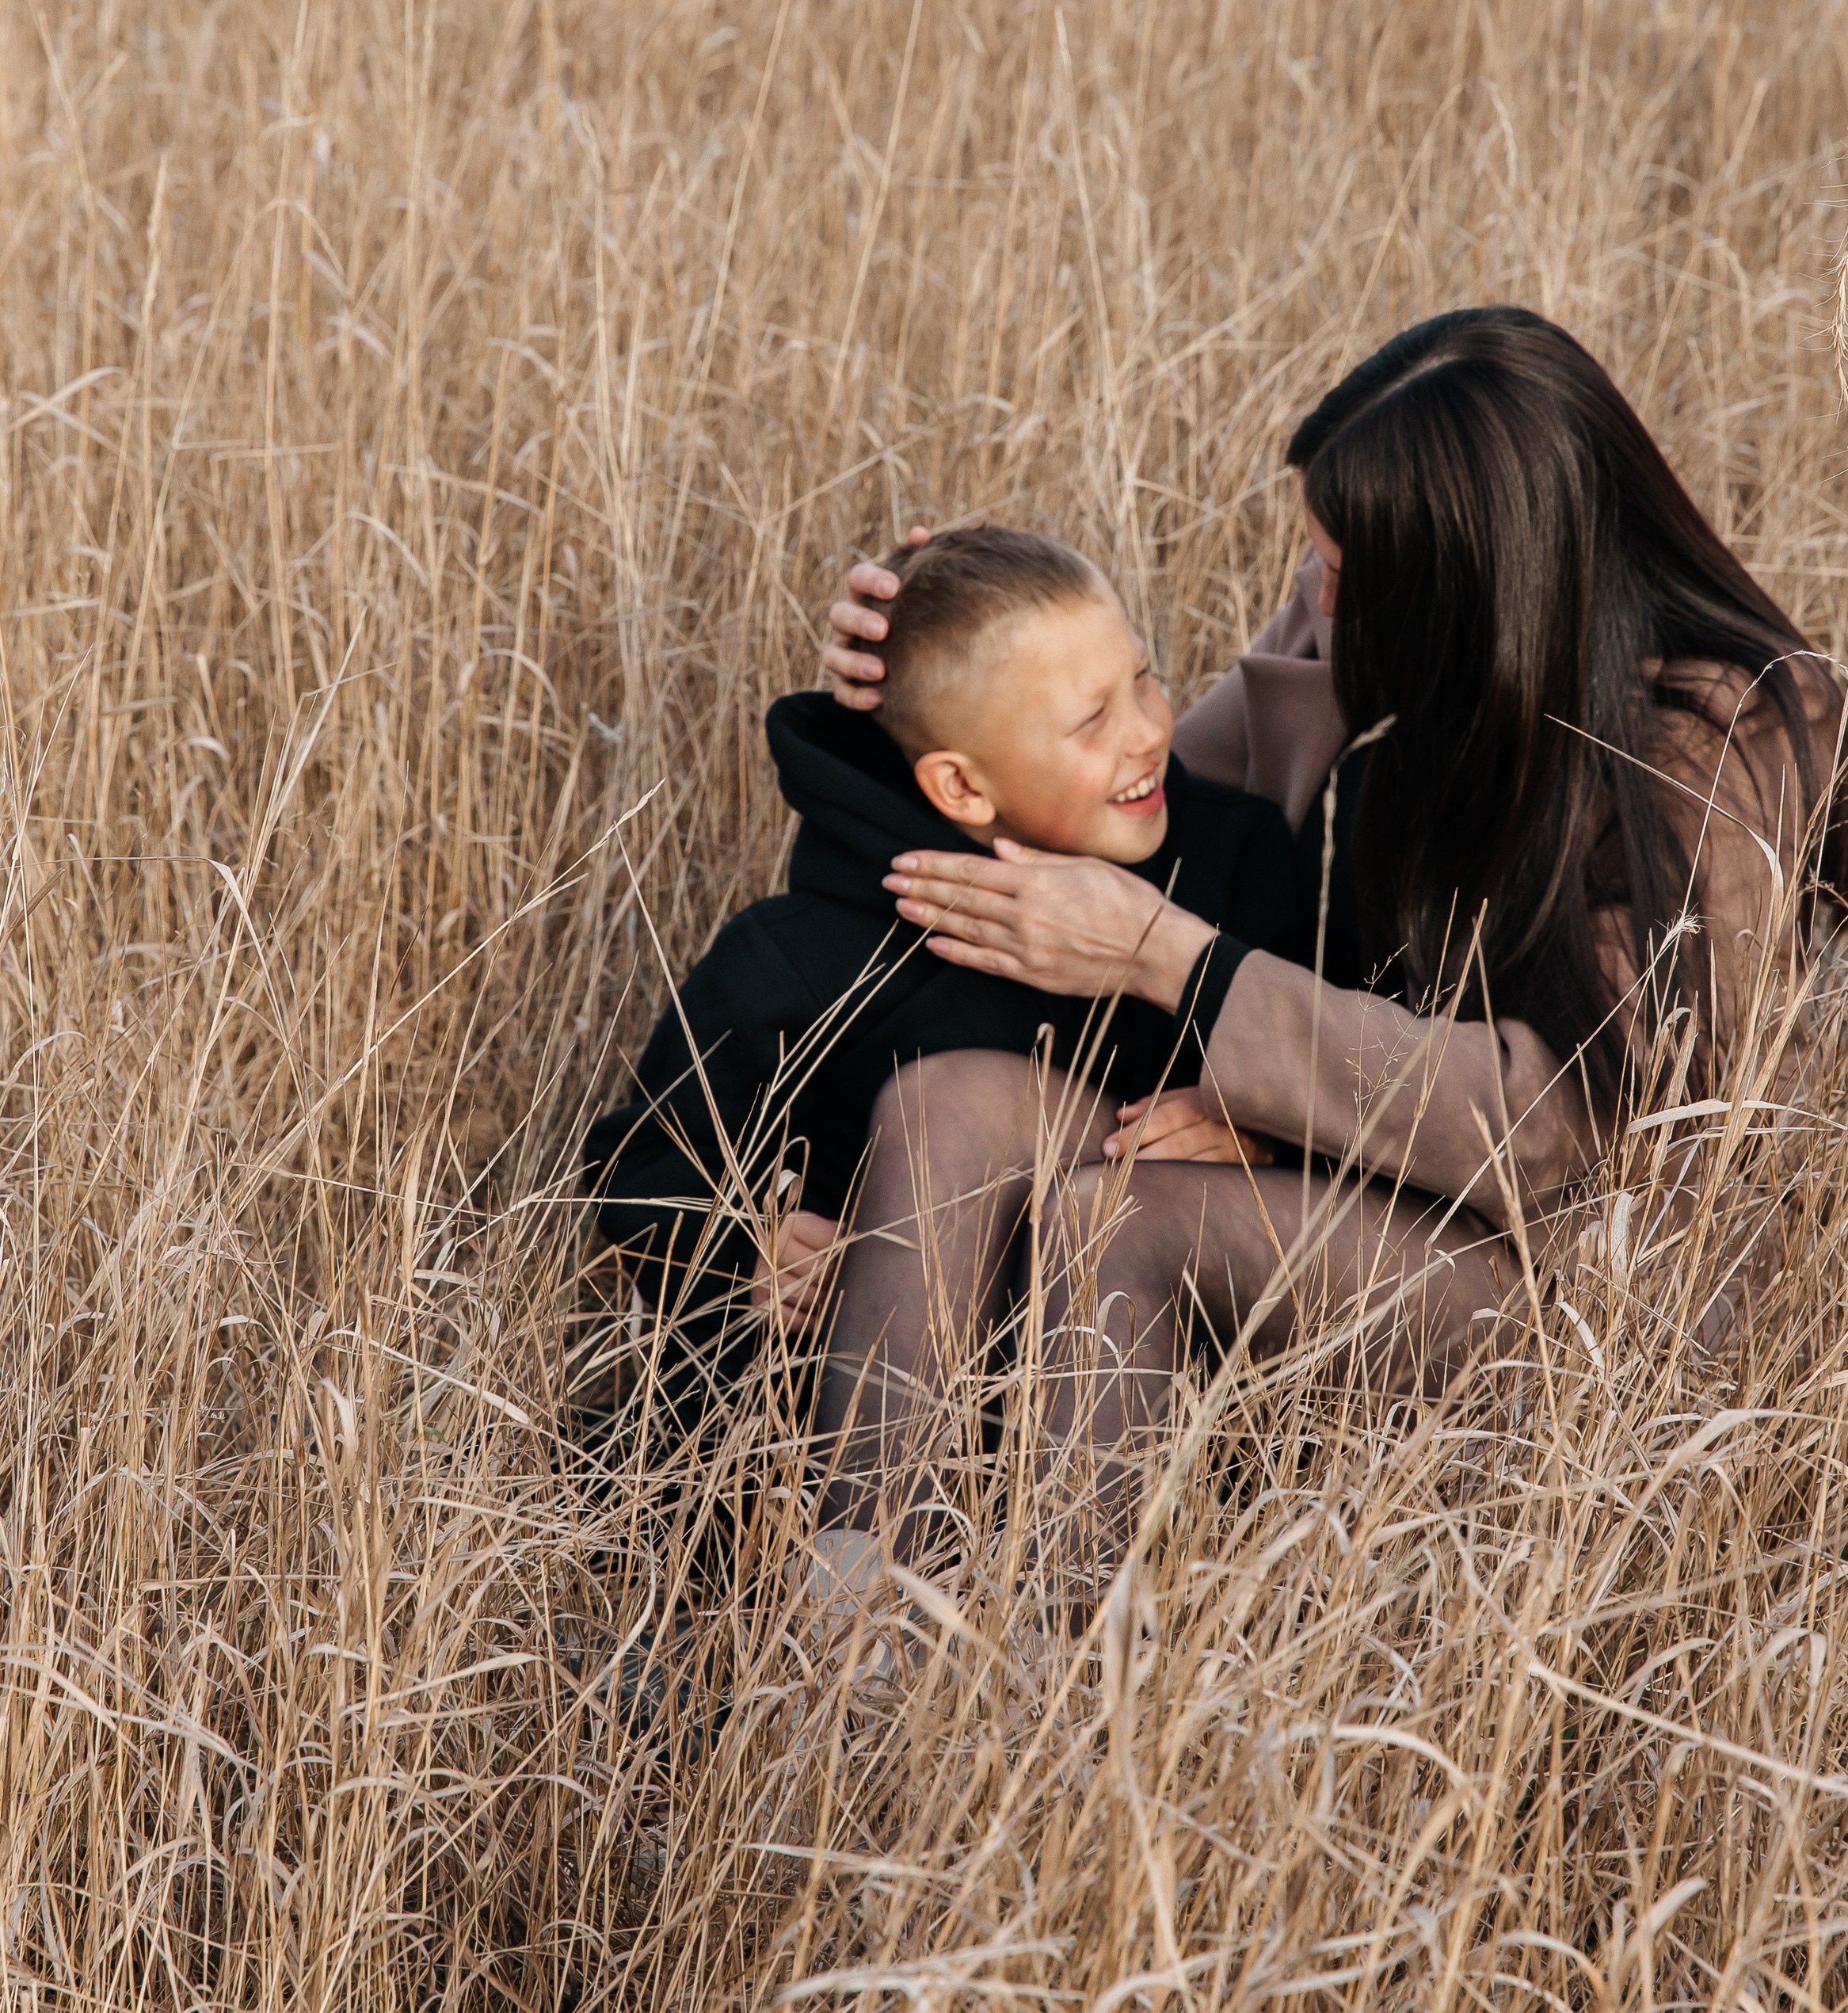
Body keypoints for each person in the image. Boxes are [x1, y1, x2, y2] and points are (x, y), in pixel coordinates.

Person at [820, 307, 1845, 1550]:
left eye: (1345, 576)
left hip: (1585, 1280)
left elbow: (1557, 1124)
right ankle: (863, 1635)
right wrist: (924, 687)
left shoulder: (1713, 742)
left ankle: (1066, 1672)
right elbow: (1109, 813)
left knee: (1115, 1218)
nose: (1312, 599)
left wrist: (1170, 962)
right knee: (951, 1106)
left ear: (1466, 589)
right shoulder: (1373, 639)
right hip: (1358, 1169)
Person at [584, 526, 1299, 1450]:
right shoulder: (801, 952)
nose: (1151, 728)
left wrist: (1257, 1126)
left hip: (1149, 1410)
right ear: (960, 786)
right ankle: (853, 1579)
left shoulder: (1236, 866)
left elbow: (1337, 1062)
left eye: (1145, 677)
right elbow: (642, 1161)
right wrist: (746, 1244)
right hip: (854, 1420)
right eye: (1091, 719)